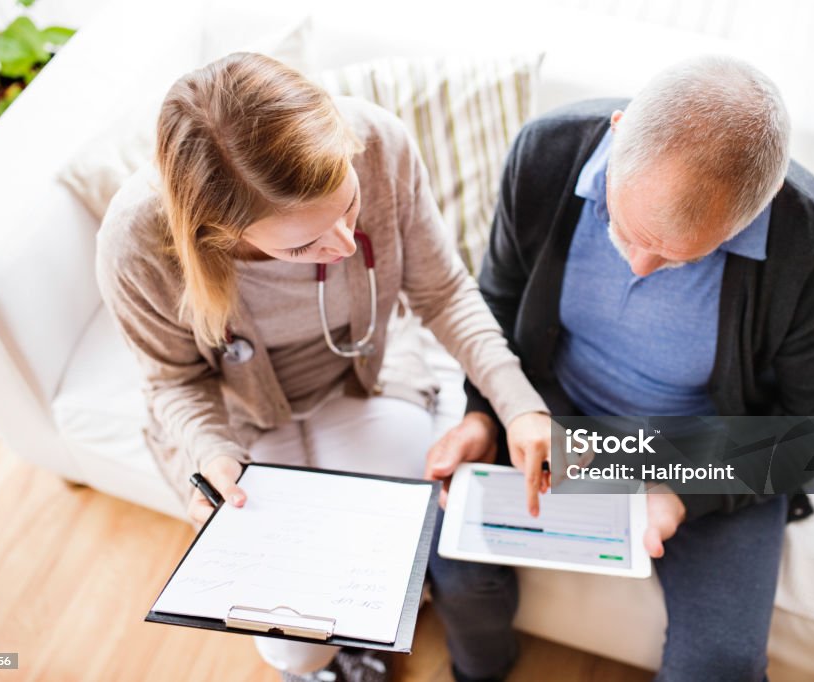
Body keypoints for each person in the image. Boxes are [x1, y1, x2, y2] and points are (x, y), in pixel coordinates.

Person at [95, 52, 551, 682]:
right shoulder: (137, 244)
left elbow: (443, 292)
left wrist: (519, 402)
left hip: (365, 380)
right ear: (217, 232)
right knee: (293, 639)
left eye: (349, 207)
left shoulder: (381, 145)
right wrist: (212, 454)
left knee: (394, 557)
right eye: (303, 245)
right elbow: (172, 380)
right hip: (240, 421)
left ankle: (369, 641)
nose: (340, 246)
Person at [427, 55, 814, 681]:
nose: (637, 265)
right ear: (617, 130)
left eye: (677, 257)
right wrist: (483, 411)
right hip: (554, 412)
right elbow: (496, 301)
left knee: (720, 662)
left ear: (757, 209)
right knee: (455, 567)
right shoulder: (544, 152)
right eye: (625, 227)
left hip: (711, 447)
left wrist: (687, 491)